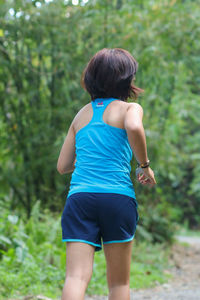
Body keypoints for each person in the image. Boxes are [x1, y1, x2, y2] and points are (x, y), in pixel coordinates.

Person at [57, 48, 157, 300]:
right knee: (118, 284)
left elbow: (63, 166)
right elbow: (134, 127)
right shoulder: (129, 110)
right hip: (117, 197)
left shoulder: (81, 115)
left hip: (80, 199)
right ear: (127, 80)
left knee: (76, 277)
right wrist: (144, 166)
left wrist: (92, 154)